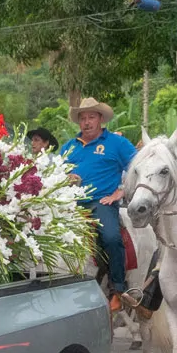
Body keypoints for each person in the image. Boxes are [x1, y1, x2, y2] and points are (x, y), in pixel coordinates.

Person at [62, 97, 136, 311]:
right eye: (82, 118)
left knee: (112, 237)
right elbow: (54, 172)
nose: (86, 122)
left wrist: (120, 192)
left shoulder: (117, 143)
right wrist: (65, 178)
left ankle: (118, 289)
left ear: (101, 119)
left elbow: (139, 168)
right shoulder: (68, 147)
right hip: (70, 204)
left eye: (91, 117)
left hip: (100, 201)